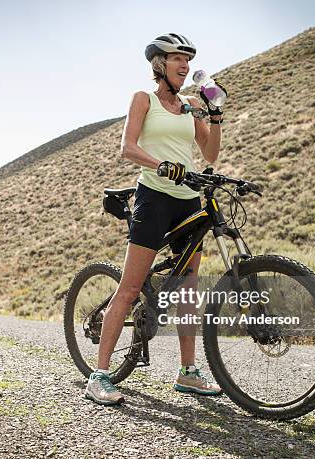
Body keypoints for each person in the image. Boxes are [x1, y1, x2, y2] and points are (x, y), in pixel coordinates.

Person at [85, 33, 226, 405]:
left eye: (187, 59)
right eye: (177, 58)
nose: (184, 65)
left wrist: (216, 117)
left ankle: (188, 373)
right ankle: (99, 376)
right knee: (130, 288)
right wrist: (161, 165)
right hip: (154, 195)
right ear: (159, 65)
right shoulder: (143, 99)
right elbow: (127, 148)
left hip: (188, 199)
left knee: (188, 288)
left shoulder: (190, 105)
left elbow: (209, 154)